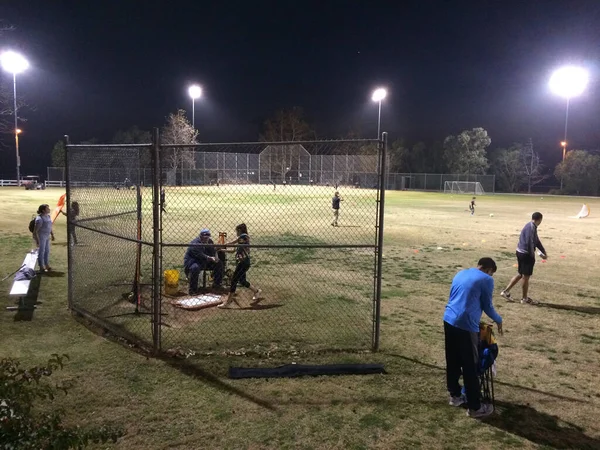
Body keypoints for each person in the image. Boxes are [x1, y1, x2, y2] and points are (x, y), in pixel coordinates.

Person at [443, 257, 503, 418]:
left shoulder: (461, 273)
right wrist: (499, 320)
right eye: (491, 273)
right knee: (470, 365)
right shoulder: (487, 280)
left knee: (453, 359)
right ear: (488, 269)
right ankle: (475, 407)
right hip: (466, 325)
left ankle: (455, 395)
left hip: (449, 319)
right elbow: (487, 306)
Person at [501, 212, 547, 305]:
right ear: (540, 219)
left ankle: (505, 292)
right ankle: (524, 298)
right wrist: (532, 255)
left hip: (520, 252)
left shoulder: (530, 225)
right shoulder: (531, 227)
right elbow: (529, 242)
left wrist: (543, 250)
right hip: (526, 254)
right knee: (526, 277)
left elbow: (536, 240)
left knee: (520, 274)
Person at [218, 223, 261, 309]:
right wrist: (221, 249)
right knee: (242, 281)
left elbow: (233, 243)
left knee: (234, 280)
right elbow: (233, 250)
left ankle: (227, 302)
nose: (236, 233)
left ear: (240, 230)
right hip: (241, 262)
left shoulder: (244, 237)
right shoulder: (241, 241)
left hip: (244, 263)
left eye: (236, 231)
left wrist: (223, 244)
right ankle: (256, 291)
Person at [183, 229, 224, 295]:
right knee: (195, 268)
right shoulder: (195, 243)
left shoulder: (209, 241)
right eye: (205, 237)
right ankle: (193, 290)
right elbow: (200, 255)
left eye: (208, 237)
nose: (206, 239)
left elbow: (212, 252)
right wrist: (210, 258)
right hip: (194, 261)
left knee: (219, 263)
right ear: (200, 236)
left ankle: (217, 284)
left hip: (205, 262)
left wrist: (215, 252)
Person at [33, 204, 55, 272]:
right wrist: (37, 241)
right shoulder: (39, 219)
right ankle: (41, 266)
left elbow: (49, 226)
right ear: (43, 210)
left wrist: (52, 234)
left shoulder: (48, 216)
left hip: (47, 236)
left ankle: (46, 265)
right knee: (41, 251)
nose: (49, 209)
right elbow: (35, 231)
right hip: (41, 237)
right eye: (47, 208)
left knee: (47, 251)